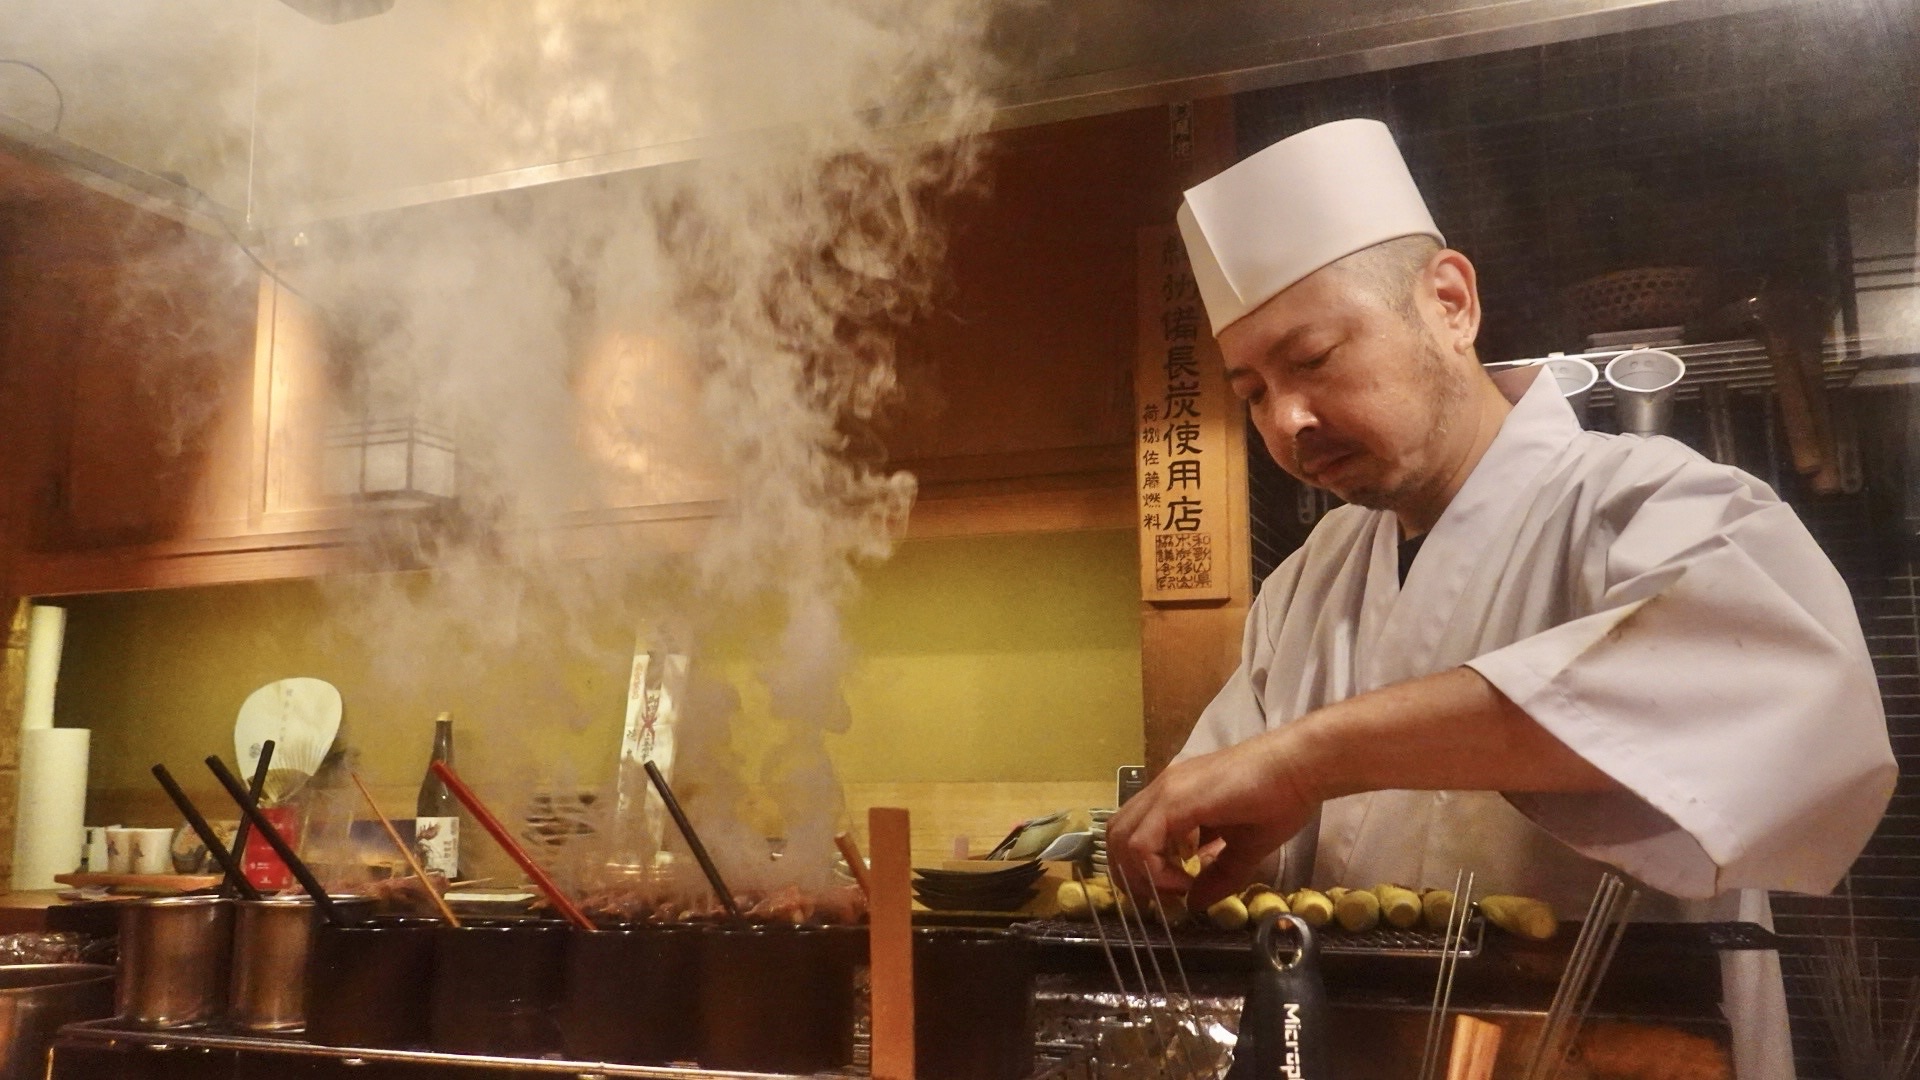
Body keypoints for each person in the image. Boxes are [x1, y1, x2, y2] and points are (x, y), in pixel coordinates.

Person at [1104, 118, 1897, 1079]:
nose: (1288, 420)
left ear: (1449, 301)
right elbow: (1238, 820)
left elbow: (1793, 689)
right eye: (1252, 391)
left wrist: (1312, 758)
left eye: (1311, 360)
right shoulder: (1308, 582)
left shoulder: (1649, 501)